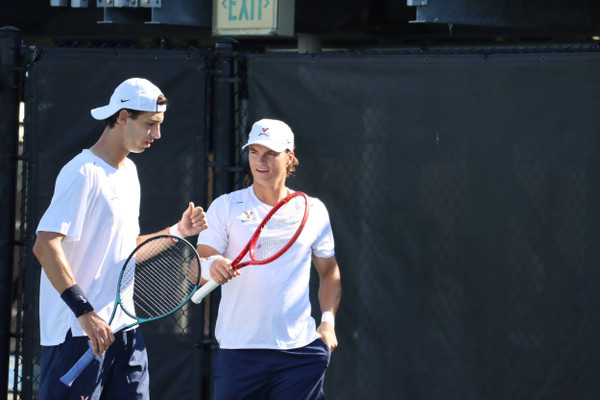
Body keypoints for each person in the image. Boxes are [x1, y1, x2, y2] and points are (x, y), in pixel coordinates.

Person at [32, 77, 208, 400]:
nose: (157, 134)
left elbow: (124, 250)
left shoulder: (130, 173)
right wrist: (85, 313)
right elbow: (45, 245)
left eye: (159, 124)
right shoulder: (82, 172)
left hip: (125, 331)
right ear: (123, 117)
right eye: (151, 124)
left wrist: (178, 232)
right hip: (78, 333)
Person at [196, 118, 342, 399]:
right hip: (239, 352)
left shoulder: (314, 210)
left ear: (290, 157)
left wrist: (327, 322)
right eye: (254, 152)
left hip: (300, 352)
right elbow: (197, 267)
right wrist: (212, 265)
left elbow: (329, 272)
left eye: (270, 153)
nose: (260, 161)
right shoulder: (225, 206)